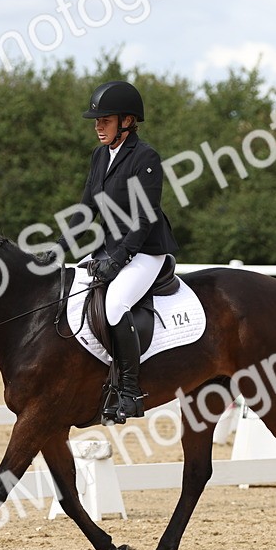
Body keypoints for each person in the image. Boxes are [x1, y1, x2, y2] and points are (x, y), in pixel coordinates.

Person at [58, 80, 179, 424]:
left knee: (115, 306)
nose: (98, 127)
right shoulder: (100, 155)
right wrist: (59, 247)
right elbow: (85, 209)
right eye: (96, 121)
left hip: (146, 251)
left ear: (127, 121)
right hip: (110, 249)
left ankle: (129, 390)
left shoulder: (145, 157)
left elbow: (144, 217)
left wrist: (119, 260)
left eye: (105, 120)